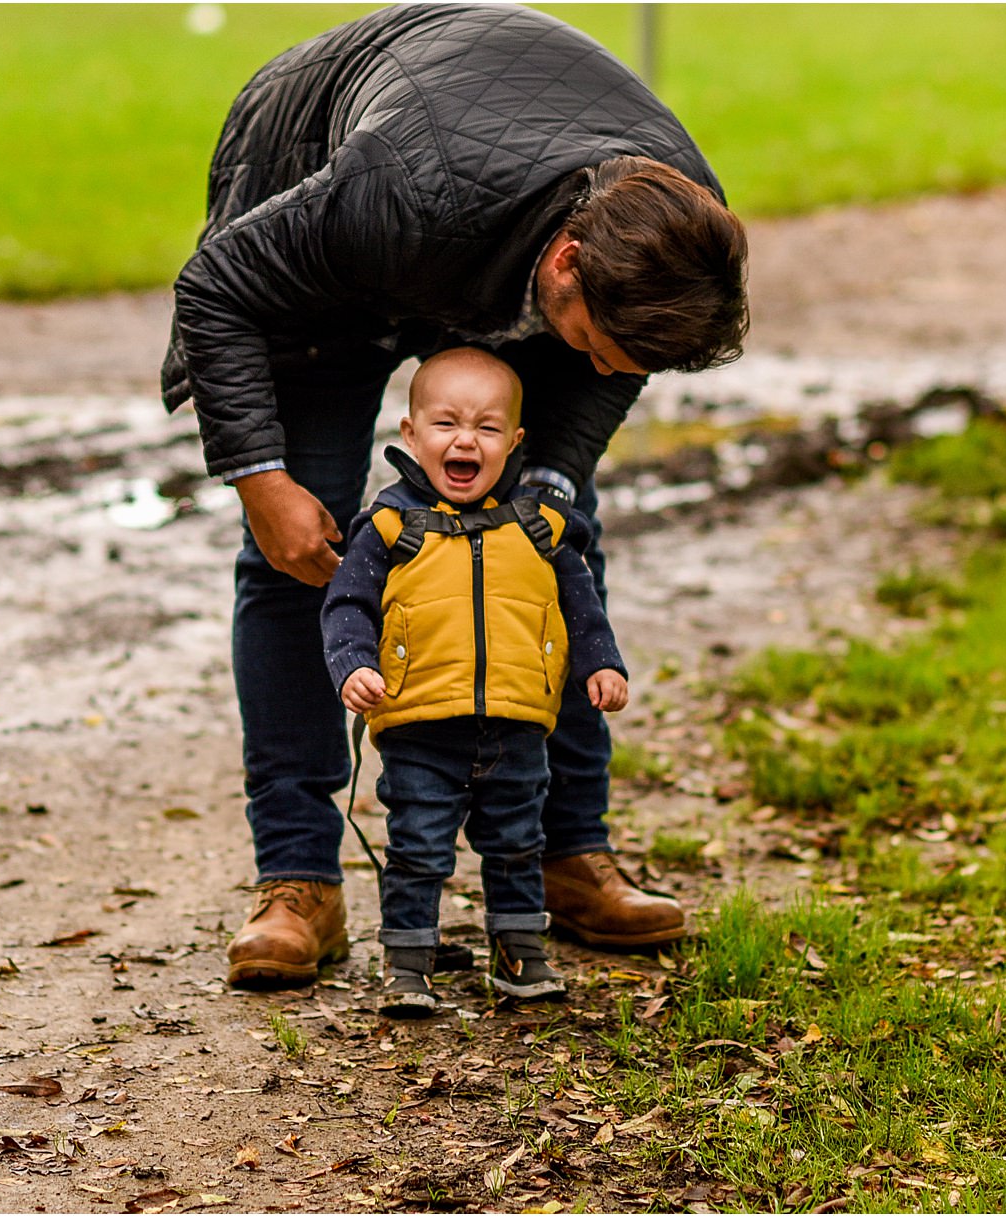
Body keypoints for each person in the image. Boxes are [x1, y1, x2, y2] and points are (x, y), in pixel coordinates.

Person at [160, 2, 748, 988]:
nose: (611, 369)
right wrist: (259, 481)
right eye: (601, 344)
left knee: (556, 532)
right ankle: (298, 879)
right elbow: (216, 286)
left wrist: (550, 485)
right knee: (299, 540)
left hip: (485, 210)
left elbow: (608, 366)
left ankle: (570, 851)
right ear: (567, 263)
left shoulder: (677, 230)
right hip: (342, 201)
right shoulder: (386, 192)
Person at [322, 349, 628, 1016]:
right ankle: (409, 962)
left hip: (516, 725)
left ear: (516, 441)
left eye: (488, 428)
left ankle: (521, 950)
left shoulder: (540, 526)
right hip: (420, 727)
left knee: (519, 842)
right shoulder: (389, 527)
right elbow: (346, 605)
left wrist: (602, 663)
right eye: (447, 423)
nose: (466, 440)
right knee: (419, 846)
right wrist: (354, 665)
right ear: (410, 434)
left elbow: (582, 602)